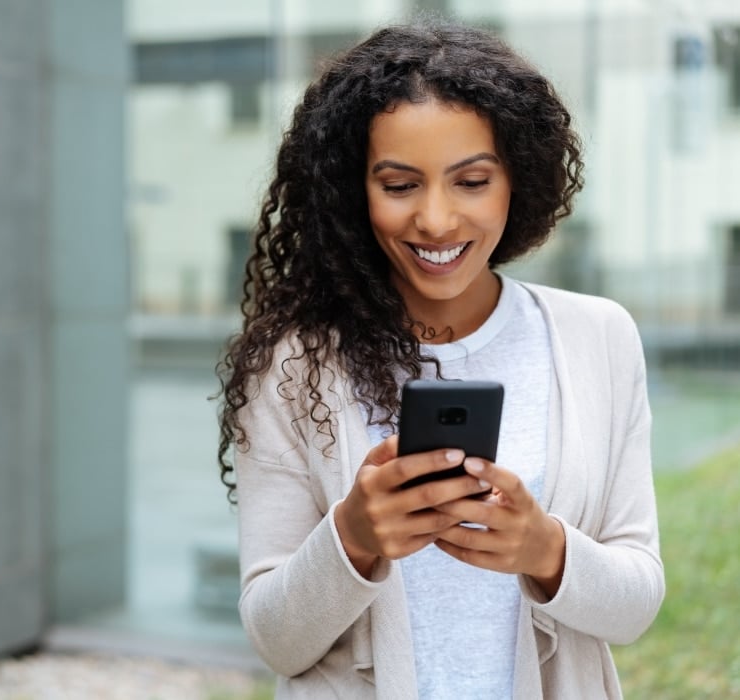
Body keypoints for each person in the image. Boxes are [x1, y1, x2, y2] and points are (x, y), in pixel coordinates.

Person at [215, 18, 664, 700]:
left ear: (517, 180)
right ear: (351, 191)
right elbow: (277, 639)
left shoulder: (597, 338)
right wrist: (354, 536)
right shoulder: (294, 365)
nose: (435, 221)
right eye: (399, 186)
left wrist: (543, 549)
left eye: (471, 181)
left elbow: (636, 606)